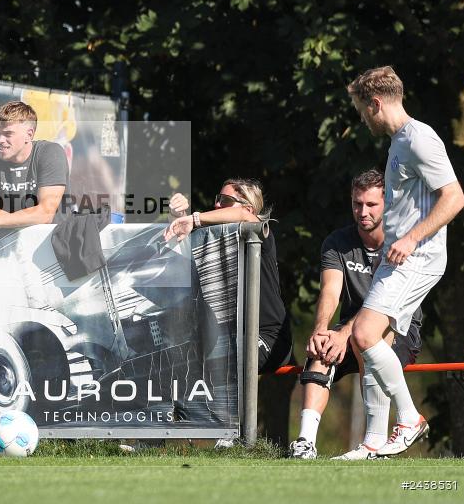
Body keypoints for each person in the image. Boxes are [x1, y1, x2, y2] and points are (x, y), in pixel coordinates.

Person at [347, 66, 464, 456]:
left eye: (363, 110)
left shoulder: (419, 138)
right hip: (398, 258)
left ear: (375, 104)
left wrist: (412, 239)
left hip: (420, 257)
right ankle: (373, 442)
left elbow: (455, 197)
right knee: (375, 342)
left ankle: (410, 417)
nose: (363, 117)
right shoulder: (400, 141)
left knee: (362, 333)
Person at [288, 170, 422, 459]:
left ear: (388, 203)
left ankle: (374, 441)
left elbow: (384, 305)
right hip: (349, 329)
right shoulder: (337, 242)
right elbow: (330, 291)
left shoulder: (401, 243)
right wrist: (322, 329)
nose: (363, 212)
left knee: (368, 341)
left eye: (371, 205)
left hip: (397, 326)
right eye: (357, 204)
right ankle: (305, 444)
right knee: (321, 350)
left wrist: (346, 332)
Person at [166, 178, 295, 446]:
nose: (217, 205)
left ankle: (232, 436)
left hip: (269, 337)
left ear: (248, 206)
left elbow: (242, 215)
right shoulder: (211, 241)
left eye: (224, 201)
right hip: (227, 339)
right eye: (217, 198)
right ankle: (151, 439)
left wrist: (195, 218)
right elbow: (175, 262)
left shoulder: (260, 230)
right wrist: (178, 217)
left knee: (230, 355)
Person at [0, 101, 68, 230]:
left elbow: (45, 214)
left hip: (52, 242)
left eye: (8, 134)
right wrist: (13, 220)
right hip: (12, 241)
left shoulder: (50, 152)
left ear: (29, 134)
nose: (0, 140)